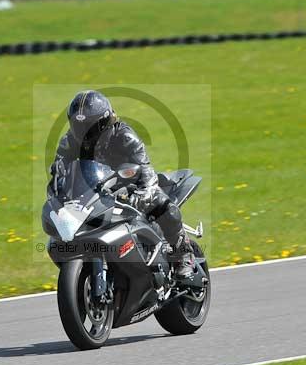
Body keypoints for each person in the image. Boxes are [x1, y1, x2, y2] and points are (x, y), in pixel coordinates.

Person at [49, 90, 196, 281]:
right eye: (78, 126)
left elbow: (147, 172)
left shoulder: (125, 136)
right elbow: (59, 173)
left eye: (88, 127)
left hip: (129, 187)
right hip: (93, 192)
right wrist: (57, 192)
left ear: (104, 123)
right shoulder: (69, 142)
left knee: (162, 204)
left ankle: (183, 253)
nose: (83, 132)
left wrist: (143, 193)